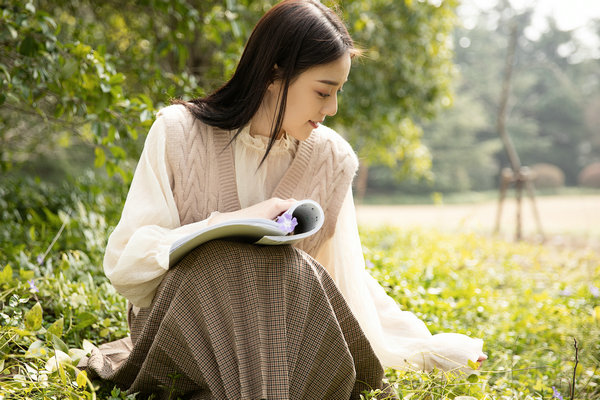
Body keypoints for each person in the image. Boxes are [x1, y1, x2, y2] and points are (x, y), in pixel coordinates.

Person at [86, 0, 486, 398]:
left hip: (281, 335)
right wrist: (222, 224)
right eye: (322, 91)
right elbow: (126, 266)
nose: (331, 109)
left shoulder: (332, 158)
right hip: (189, 330)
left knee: (289, 270)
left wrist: (424, 347)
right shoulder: (178, 132)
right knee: (223, 263)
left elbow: (342, 280)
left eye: (337, 93)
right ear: (274, 72)